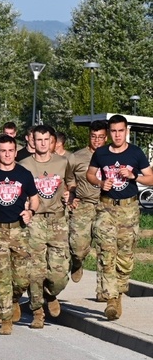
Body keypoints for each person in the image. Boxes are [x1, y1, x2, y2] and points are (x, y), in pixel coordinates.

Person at [86, 115, 153, 320]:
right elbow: (90, 174)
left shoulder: (135, 153)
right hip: (106, 208)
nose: (117, 135)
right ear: (109, 132)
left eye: (120, 131)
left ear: (126, 131)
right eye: (113, 131)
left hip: (129, 209)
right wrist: (100, 183)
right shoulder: (101, 153)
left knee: (125, 257)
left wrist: (134, 177)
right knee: (106, 254)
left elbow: (151, 178)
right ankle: (111, 299)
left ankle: (120, 290)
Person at [20, 125, 74, 326]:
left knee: (59, 273)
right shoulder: (24, 164)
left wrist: (71, 192)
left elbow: (70, 182)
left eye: (46, 140)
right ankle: (37, 312)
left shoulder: (62, 162)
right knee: (36, 269)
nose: (42, 144)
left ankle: (51, 294)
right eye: (38, 140)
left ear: (51, 141)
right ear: (32, 141)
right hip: (35, 220)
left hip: (58, 220)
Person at [0, 136, 38, 334]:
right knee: (1, 277)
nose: (7, 154)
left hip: (19, 230)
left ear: (15, 152)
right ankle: (6, 320)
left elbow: (35, 199)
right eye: (3, 151)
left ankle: (12, 299)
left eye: (10, 150)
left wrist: (30, 211)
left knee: (21, 278)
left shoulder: (24, 174)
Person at [68, 120, 107, 287]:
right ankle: (77, 262)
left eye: (100, 137)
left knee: (105, 248)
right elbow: (68, 178)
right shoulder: (77, 157)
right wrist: (71, 194)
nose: (97, 140)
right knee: (77, 247)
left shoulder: (111, 155)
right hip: (83, 205)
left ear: (106, 138)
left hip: (105, 205)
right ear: (89, 136)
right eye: (93, 136)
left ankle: (104, 289)